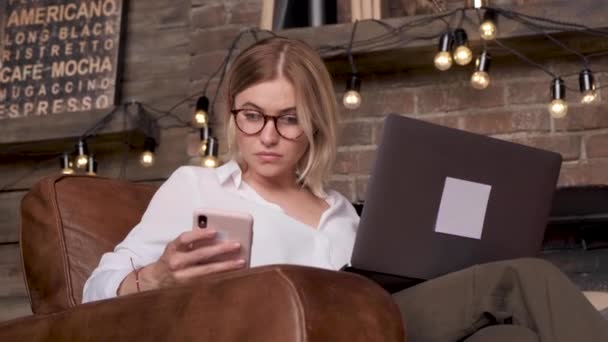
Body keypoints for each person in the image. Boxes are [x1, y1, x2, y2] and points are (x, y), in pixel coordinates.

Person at [83, 37, 608, 341]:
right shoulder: (198, 187)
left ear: (313, 123)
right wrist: (153, 276)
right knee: (523, 277)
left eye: (289, 119)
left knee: (509, 338)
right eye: (252, 116)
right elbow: (94, 291)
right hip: (304, 334)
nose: (268, 135)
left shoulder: (340, 212)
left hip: (379, 326)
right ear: (231, 115)